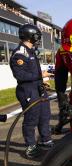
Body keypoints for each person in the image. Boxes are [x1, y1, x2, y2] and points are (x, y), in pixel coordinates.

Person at [10, 24, 54, 158]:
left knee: (45, 115)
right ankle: (30, 146)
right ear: (29, 36)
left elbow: (33, 73)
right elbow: (20, 76)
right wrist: (41, 76)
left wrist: (41, 81)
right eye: (36, 36)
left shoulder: (31, 51)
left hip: (38, 89)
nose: (38, 38)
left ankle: (45, 140)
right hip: (27, 91)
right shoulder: (19, 54)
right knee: (31, 119)